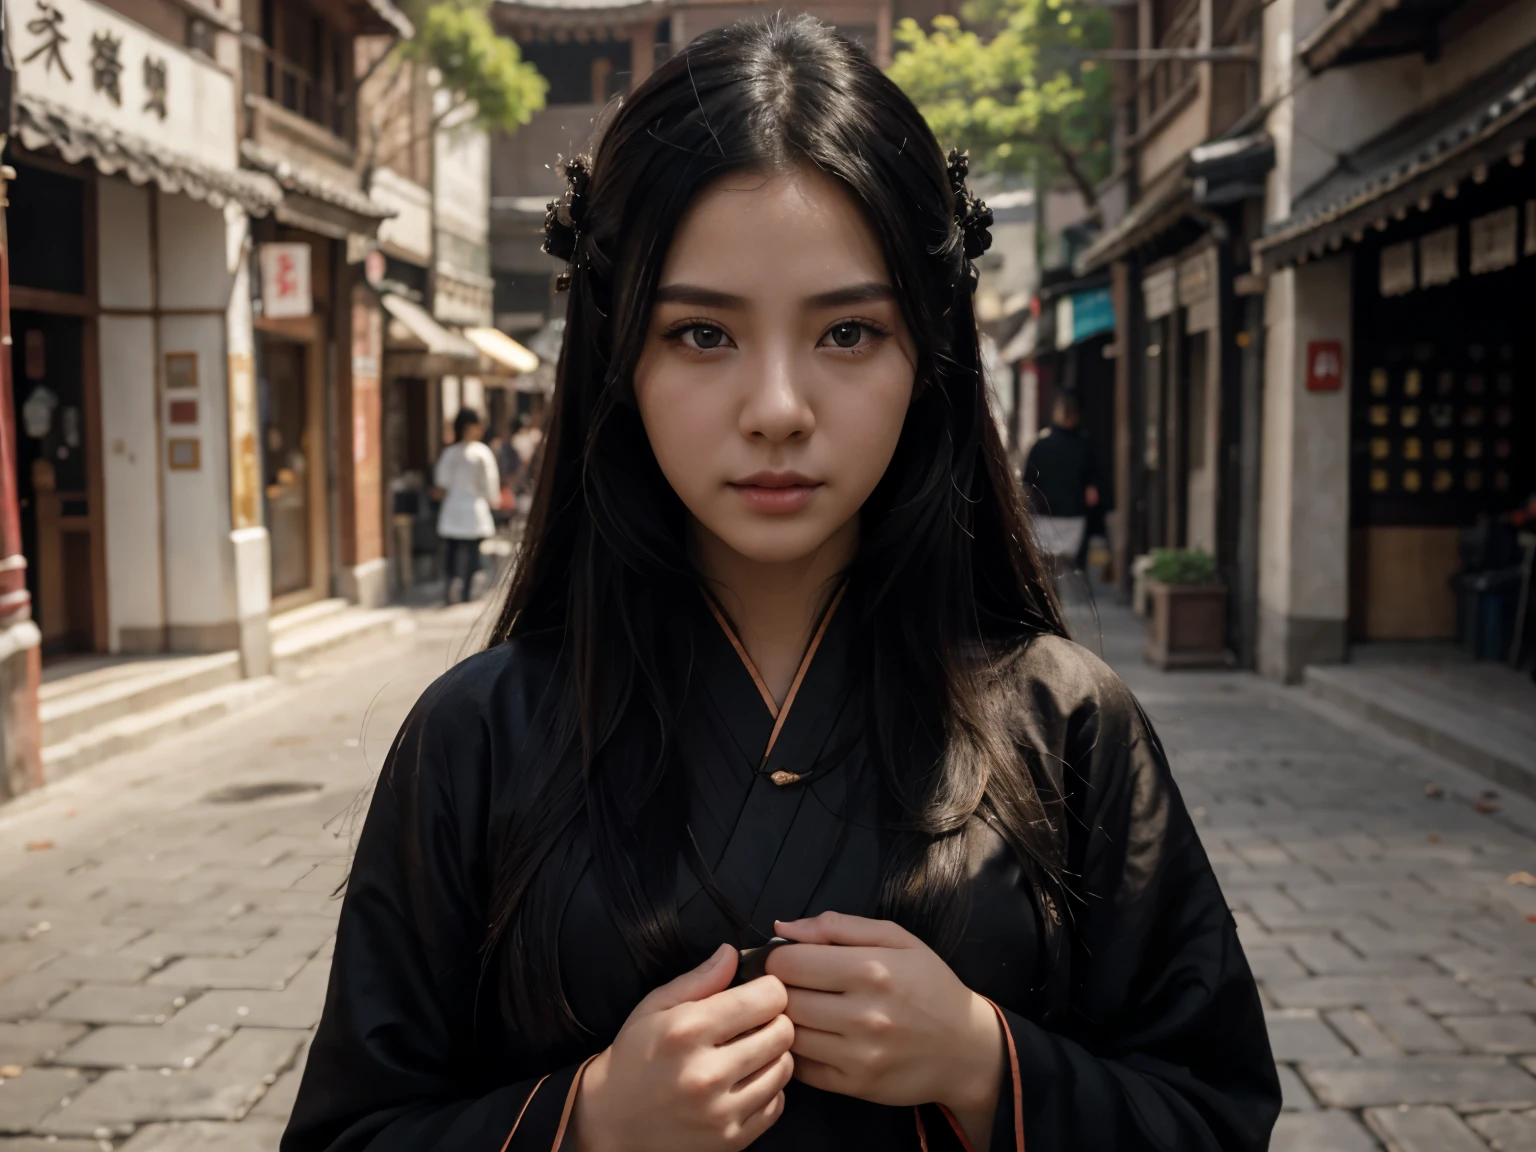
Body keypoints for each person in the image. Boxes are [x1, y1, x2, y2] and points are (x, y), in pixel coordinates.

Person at [283, 17, 1278, 1152]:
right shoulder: (479, 735)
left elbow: (1215, 1112)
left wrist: (984, 1064)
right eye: (702, 333)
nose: (777, 407)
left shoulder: (1067, 721)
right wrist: (587, 1122)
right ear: (617, 357)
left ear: (931, 354)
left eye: (848, 331)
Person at [1022, 392, 1100, 573]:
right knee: (1069, 567)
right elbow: (1093, 486)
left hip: (1044, 514)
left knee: (1044, 567)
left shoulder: (1040, 444)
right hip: (1073, 514)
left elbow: (1027, 481)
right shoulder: (1084, 444)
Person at [433, 408, 500, 604]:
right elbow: (490, 484)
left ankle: (453, 588)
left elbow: (441, 483)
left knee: (454, 552)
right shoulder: (481, 453)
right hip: (473, 508)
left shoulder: (450, 453)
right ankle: (465, 591)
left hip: (455, 508)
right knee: (471, 553)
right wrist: (492, 498)